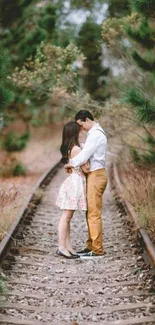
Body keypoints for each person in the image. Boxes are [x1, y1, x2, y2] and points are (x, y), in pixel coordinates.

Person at [65, 110, 107, 257]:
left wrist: (71, 163)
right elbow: (87, 150)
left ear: (86, 119)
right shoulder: (94, 133)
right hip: (94, 175)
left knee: (93, 214)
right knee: (90, 212)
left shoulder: (95, 134)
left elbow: (84, 155)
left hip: (96, 175)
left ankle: (97, 250)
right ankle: (91, 246)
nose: (81, 128)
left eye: (81, 125)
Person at [56, 121, 90, 259]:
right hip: (75, 183)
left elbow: (70, 166)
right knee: (66, 217)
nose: (81, 130)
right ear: (74, 132)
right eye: (79, 129)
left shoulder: (73, 147)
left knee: (67, 217)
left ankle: (68, 246)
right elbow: (86, 168)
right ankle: (61, 247)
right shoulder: (76, 148)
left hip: (73, 181)